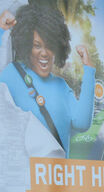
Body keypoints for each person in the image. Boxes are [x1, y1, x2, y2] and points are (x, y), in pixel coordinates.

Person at [0, 2, 94, 154]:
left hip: (56, 169)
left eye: (49, 46)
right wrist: (1, 31)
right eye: (37, 45)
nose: (44, 53)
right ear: (27, 45)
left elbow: (82, 123)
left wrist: (89, 70)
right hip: (22, 168)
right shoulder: (12, 73)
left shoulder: (61, 86)